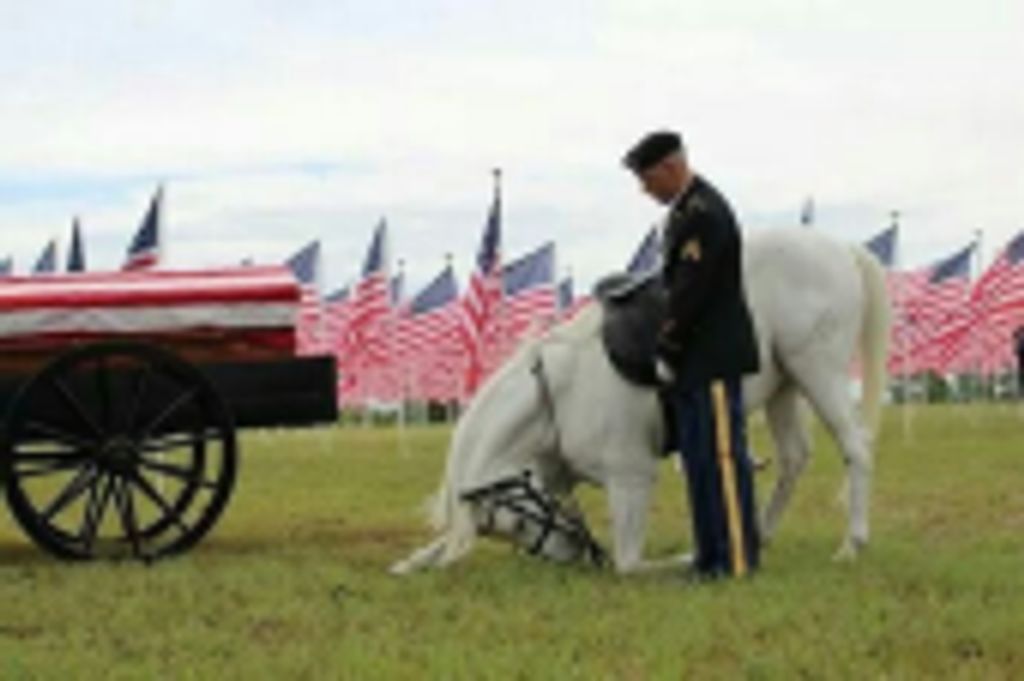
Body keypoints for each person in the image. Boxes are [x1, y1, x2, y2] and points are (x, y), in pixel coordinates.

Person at [622, 130, 761, 579]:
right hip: (693, 359)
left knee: (722, 461)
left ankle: (736, 559)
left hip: (712, 355)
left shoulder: (704, 212)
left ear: (670, 167)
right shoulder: (685, 211)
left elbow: (690, 291)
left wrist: (667, 344)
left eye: (647, 181)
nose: (645, 192)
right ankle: (709, 556)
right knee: (699, 463)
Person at [1015, 327, 1024, 397]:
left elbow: (1016, 352)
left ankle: (1021, 393)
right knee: (1021, 379)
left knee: (1021, 379)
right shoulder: (1019, 341)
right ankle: (1021, 393)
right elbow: (1016, 352)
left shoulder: (1020, 341)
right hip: (1021, 364)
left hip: (1021, 364)